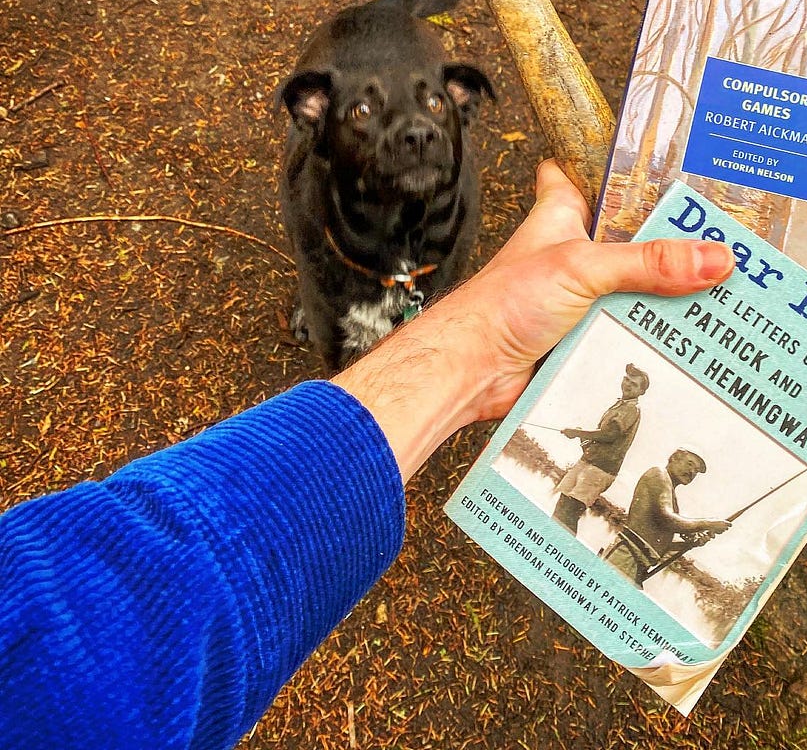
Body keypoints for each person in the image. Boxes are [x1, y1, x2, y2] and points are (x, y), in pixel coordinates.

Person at [0, 161, 734, 750]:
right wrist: (477, 348)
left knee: (572, 505)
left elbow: (92, 640)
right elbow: (98, 648)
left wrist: (480, 346)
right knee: (569, 507)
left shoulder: (632, 425)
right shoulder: (640, 442)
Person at [604, 448, 732, 586]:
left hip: (637, 566)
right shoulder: (659, 474)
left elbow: (658, 544)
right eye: (689, 464)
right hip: (624, 558)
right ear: (674, 458)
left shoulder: (671, 494)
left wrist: (690, 543)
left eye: (696, 470)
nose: (692, 472)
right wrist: (709, 523)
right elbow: (668, 520)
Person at [553, 362, 649, 534]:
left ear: (641, 391)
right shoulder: (620, 405)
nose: (627, 385)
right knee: (562, 506)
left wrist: (577, 433)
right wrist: (583, 438)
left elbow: (609, 434)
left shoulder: (631, 409)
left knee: (569, 514)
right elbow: (605, 440)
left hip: (600, 470)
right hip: (589, 463)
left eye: (633, 384)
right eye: (627, 380)